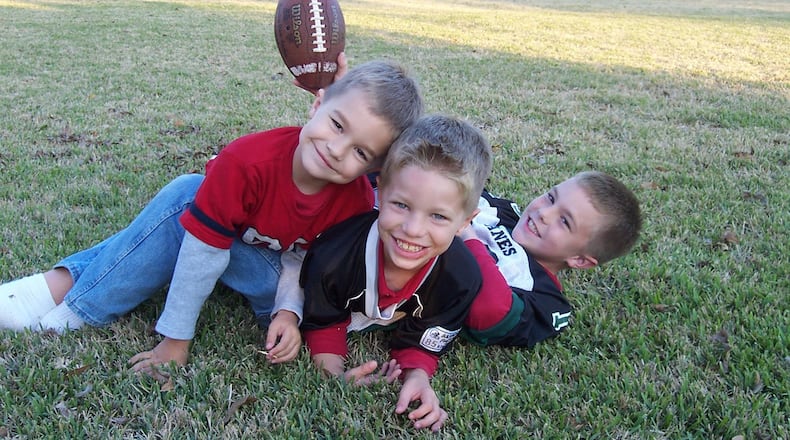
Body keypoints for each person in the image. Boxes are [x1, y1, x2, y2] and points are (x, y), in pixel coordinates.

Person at [0, 60, 424, 373]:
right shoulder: (248, 161)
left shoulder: (351, 202)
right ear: (317, 103)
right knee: (191, 204)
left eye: (360, 152)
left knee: (187, 196)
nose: (337, 149)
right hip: (247, 263)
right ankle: (66, 295)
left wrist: (287, 314)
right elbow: (204, 250)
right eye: (336, 124)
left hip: (280, 294)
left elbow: (307, 263)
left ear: (372, 171)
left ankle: (64, 297)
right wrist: (176, 336)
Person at [292, 114, 493, 432]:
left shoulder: (461, 277)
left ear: (467, 221)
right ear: (381, 191)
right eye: (401, 205)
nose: (413, 230)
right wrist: (331, 372)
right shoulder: (334, 254)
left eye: (438, 216)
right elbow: (323, 319)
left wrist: (417, 376)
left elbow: (426, 337)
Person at [460, 171, 642, 347]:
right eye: (551, 198)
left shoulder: (544, 298)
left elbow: (487, 313)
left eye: (565, 221)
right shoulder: (503, 212)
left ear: (580, 260)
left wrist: (467, 235)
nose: (544, 214)